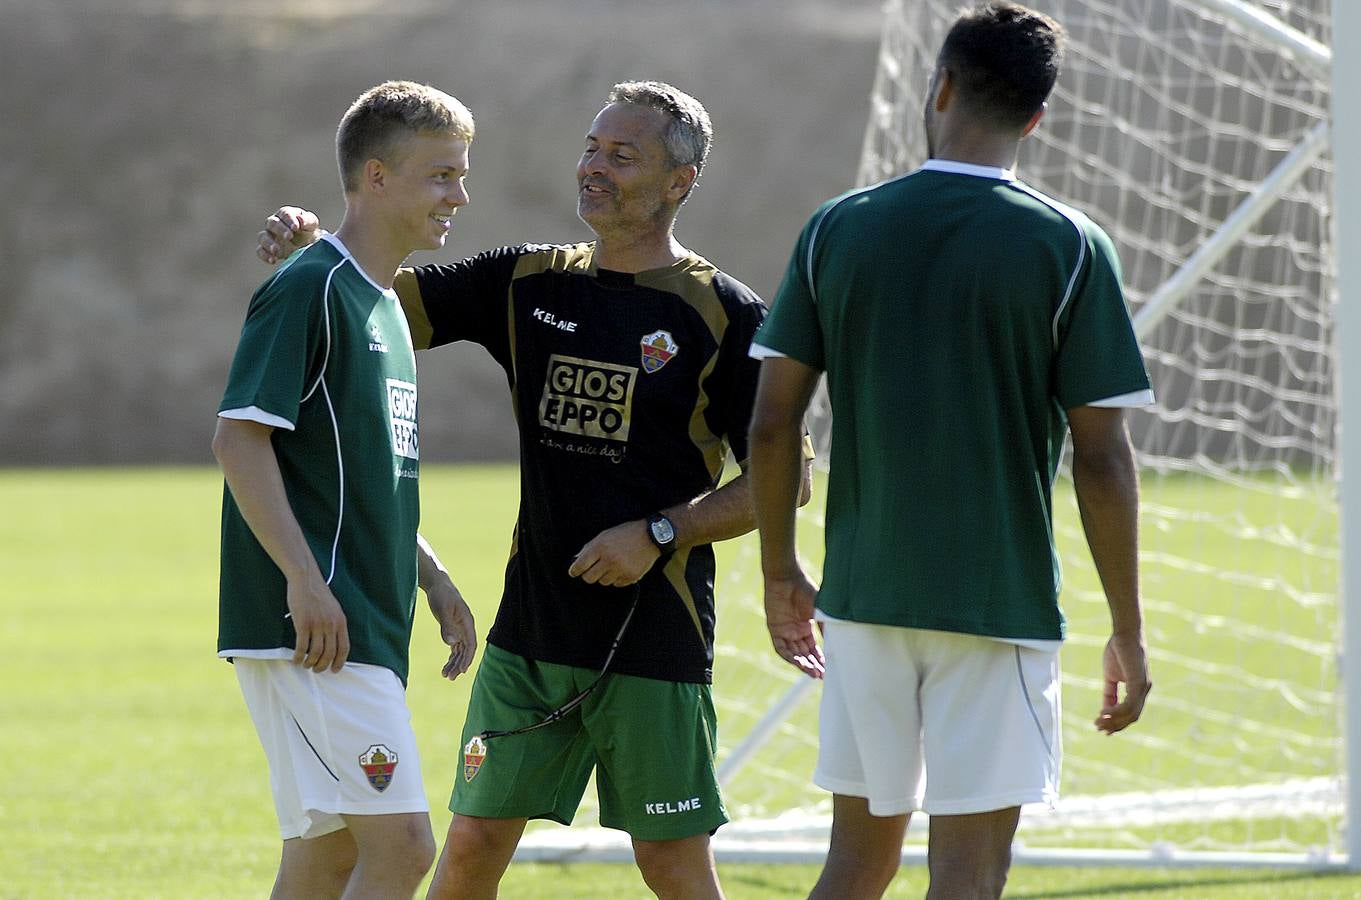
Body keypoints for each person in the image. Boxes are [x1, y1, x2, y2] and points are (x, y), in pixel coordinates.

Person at [256, 81, 812, 900]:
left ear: (677, 183)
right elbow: (367, 307)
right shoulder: (528, 279)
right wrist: (312, 255)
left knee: (671, 863)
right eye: (590, 148)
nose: (593, 168)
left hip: (653, 638)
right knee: (473, 844)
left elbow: (788, 479)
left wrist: (657, 533)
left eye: (622, 156)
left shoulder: (721, 313)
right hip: (528, 635)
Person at [747, 4, 1154, 898]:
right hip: (996, 605)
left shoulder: (835, 227)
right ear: (1035, 117)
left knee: (854, 863)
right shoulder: (1070, 245)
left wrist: (781, 570)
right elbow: (1101, 458)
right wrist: (1126, 628)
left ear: (938, 87)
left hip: (862, 599)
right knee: (968, 874)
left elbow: (774, 424)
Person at [215, 80, 479, 899]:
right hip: (318, 626)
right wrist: (304, 581)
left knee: (328, 856)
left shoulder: (384, 308)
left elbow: (366, 476)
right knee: (401, 848)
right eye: (440, 175)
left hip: (358, 615)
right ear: (376, 176)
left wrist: (430, 578)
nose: (458, 196)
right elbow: (240, 437)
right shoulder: (311, 286)